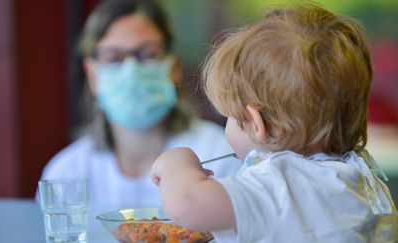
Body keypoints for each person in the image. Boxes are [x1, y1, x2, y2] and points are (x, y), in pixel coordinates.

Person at [151, 3, 398, 242]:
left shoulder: (280, 185)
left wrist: (179, 162)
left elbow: (187, 203)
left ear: (257, 124)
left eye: (233, 118)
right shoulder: (359, 176)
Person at [39, 0, 240, 216]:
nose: (131, 71)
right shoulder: (65, 173)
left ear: (174, 66)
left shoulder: (221, 155)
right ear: (92, 74)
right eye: (113, 57)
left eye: (148, 54)